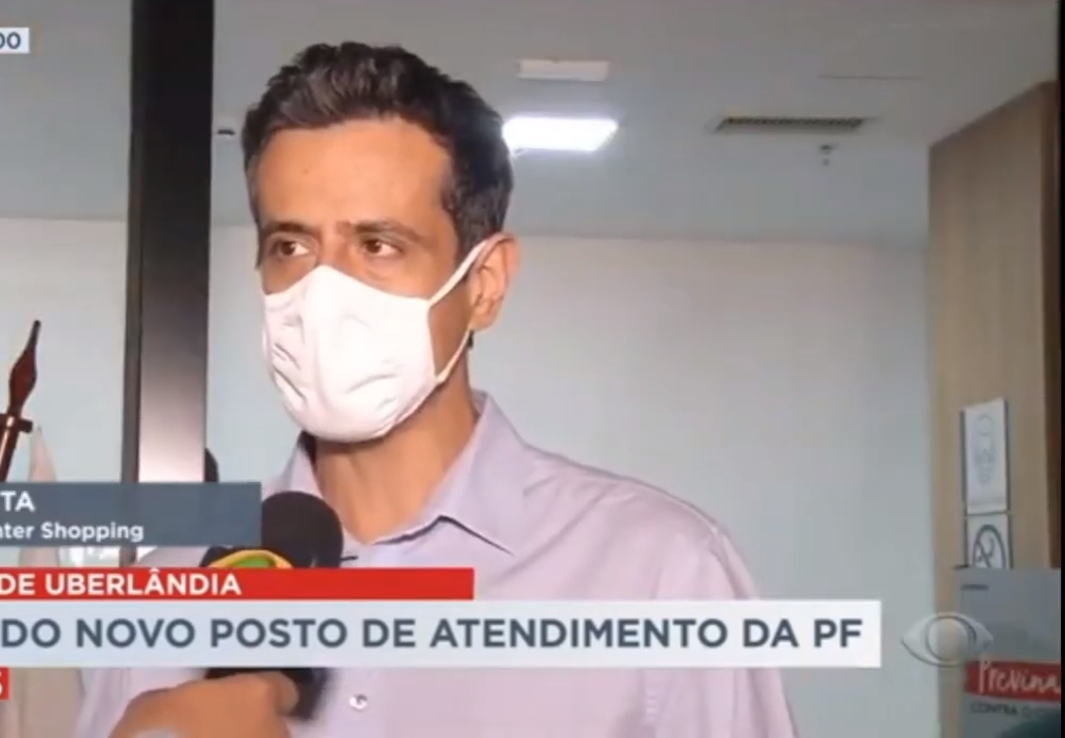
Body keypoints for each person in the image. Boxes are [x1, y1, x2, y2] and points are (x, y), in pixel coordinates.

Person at [79, 42, 796, 738]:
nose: (323, 293)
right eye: (291, 247)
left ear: (484, 285)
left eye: (379, 245)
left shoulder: (661, 573)